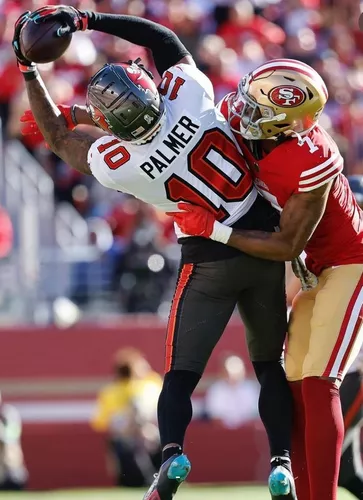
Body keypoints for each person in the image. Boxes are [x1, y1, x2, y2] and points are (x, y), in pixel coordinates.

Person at [13, 9, 297, 499]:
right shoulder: (190, 94)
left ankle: (171, 455)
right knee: (270, 364)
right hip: (264, 241)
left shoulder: (122, 163)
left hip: (208, 258)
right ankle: (281, 461)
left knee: (180, 375)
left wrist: (28, 69)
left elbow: (59, 139)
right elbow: (160, 36)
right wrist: (88, 18)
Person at [171, 59, 363, 500]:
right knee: (292, 387)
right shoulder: (251, 128)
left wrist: (214, 229)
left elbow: (286, 246)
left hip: (350, 262)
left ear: (284, 124)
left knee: (318, 382)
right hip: (314, 270)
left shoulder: (312, 158)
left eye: (256, 110)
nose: (240, 112)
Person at [91, 348, 162, 487]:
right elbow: (100, 422)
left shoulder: (150, 385)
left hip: (150, 433)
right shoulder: (111, 392)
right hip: (125, 438)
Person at [205, 354, 259, 429]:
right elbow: (215, 415)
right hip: (223, 433)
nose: (233, 375)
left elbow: (254, 414)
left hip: (247, 432)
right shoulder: (216, 389)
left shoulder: (251, 388)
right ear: (223, 372)